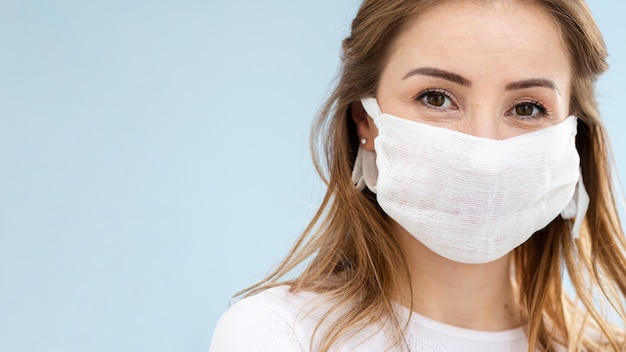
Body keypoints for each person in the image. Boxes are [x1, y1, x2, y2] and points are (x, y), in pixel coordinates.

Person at [209, 0, 626, 350]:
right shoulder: (281, 335)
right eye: (436, 98)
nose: (482, 153)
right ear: (365, 122)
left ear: (572, 135)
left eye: (527, 108)